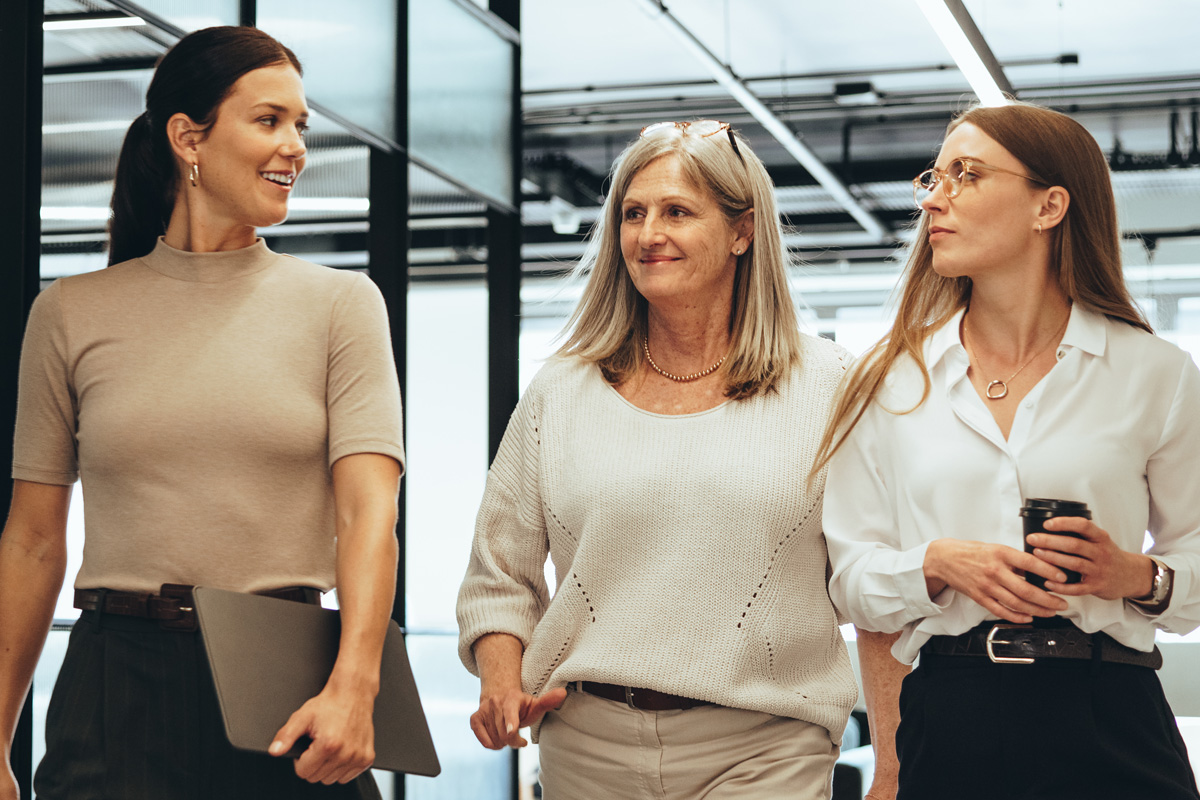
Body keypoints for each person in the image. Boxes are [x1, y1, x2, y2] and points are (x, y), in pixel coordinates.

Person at [0, 27, 404, 800]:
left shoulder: (341, 306)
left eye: (301, 126)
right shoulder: (71, 313)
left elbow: (368, 516)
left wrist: (357, 683)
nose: (295, 148)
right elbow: (31, 540)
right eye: (268, 120)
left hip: (287, 675)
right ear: (190, 138)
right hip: (116, 681)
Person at [456, 119, 857, 799]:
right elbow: (499, 578)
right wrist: (502, 682)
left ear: (742, 231)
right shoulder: (561, 390)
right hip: (587, 745)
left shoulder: (828, 383)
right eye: (633, 214)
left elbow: (871, 578)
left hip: (766, 746)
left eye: (677, 212)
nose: (648, 235)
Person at [819, 101, 1200, 800]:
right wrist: (934, 565)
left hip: (1112, 711)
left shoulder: (1157, 374)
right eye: (933, 178)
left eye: (966, 174)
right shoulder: (890, 382)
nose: (936, 197)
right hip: (951, 714)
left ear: (1048, 206)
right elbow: (851, 583)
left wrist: (1134, 574)